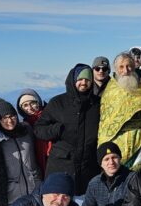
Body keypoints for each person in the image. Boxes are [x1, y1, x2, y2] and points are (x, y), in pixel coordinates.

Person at [35, 64, 101, 196]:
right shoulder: (58, 102)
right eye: (80, 79)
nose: (84, 82)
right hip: (61, 165)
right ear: (73, 80)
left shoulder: (98, 103)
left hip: (89, 167)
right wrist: (57, 129)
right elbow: (39, 129)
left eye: (87, 80)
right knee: (58, 203)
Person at [97, 52, 141, 170]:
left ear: (134, 66)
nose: (126, 70)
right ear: (116, 69)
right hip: (118, 140)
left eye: (129, 66)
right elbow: (106, 120)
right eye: (121, 67)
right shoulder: (111, 90)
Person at [0, 98, 43, 204]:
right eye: (5, 117)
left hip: (35, 189)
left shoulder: (26, 130)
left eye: (12, 116)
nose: (10, 120)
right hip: (11, 195)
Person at [16, 89, 51, 175]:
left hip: (53, 161)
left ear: (38, 102)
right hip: (37, 167)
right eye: (25, 105)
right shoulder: (25, 126)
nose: (30, 108)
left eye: (32, 103)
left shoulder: (50, 117)